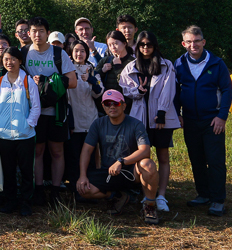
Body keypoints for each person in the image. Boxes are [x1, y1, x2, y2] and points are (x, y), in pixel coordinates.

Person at [76, 90, 160, 224]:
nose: (112, 107)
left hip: (131, 171)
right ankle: (118, 196)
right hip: (109, 172)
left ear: (124, 105)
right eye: (108, 104)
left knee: (148, 164)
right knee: (83, 189)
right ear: (103, 106)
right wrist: (82, 176)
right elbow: (86, 150)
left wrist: (122, 161)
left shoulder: (135, 124)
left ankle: (149, 206)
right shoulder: (98, 124)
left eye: (116, 103)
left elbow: (145, 151)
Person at [120, 31, 179, 213]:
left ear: (155, 46)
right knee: (143, 158)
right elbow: (125, 88)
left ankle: (161, 195)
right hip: (139, 119)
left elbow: (169, 90)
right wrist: (138, 91)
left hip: (160, 119)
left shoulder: (166, 65)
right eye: (142, 44)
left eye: (149, 44)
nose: (146, 48)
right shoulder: (131, 67)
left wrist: (161, 112)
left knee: (162, 156)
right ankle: (146, 192)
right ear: (137, 46)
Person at [175, 25, 232, 217]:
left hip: (212, 121)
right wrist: (177, 114)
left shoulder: (216, 63)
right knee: (197, 160)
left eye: (197, 41)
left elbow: (227, 90)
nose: (193, 45)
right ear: (184, 44)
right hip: (190, 120)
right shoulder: (179, 64)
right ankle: (203, 194)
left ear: (203, 42)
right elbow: (175, 91)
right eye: (189, 42)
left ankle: (217, 200)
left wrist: (222, 116)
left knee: (215, 161)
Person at [22, 17, 77, 199]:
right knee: (37, 151)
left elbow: (73, 81)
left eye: (41, 31)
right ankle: (38, 190)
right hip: (32, 112)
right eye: (34, 31)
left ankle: (55, 190)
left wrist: (47, 82)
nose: (37, 35)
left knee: (57, 151)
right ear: (28, 33)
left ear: (47, 33)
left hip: (56, 112)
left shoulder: (58, 54)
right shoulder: (23, 53)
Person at [0, 46, 40, 216]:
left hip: (25, 135)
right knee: (8, 171)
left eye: (12, 59)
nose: (9, 62)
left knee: (26, 172)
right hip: (4, 135)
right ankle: (10, 201)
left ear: (20, 61)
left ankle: (26, 203)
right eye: (6, 59)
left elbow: (36, 107)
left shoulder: (28, 81)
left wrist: (28, 125)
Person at [66, 39, 102, 191]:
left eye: (82, 51)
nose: (79, 54)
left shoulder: (92, 69)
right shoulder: (67, 69)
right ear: (71, 53)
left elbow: (100, 93)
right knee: (74, 156)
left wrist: (92, 81)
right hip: (74, 120)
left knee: (91, 158)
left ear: (87, 53)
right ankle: (76, 189)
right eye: (76, 51)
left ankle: (90, 188)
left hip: (90, 119)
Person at [98, 30, 133, 97]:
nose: (113, 47)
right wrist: (102, 71)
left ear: (124, 43)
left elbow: (129, 84)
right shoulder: (105, 60)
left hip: (125, 102)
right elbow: (93, 77)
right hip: (107, 101)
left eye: (115, 43)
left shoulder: (133, 62)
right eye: (110, 45)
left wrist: (118, 66)